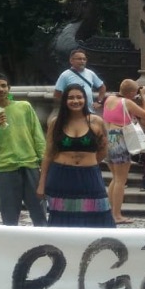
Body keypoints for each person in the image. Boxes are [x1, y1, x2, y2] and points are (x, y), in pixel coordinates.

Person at [37, 84, 114, 227]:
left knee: (99, 211)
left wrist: (88, 163)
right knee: (61, 218)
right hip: (61, 175)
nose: (75, 101)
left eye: (79, 97)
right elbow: (48, 154)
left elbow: (103, 149)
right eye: (70, 98)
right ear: (64, 101)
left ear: (85, 99)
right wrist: (42, 183)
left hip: (89, 176)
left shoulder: (96, 121)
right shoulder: (56, 123)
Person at [0, 72, 46, 226]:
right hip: (5, 169)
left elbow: (38, 137)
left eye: (3, 86)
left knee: (40, 215)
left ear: (9, 88)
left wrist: (43, 163)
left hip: (30, 166)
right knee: (9, 218)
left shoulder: (24, 107)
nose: (0, 89)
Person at [101, 79, 145, 224]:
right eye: (135, 91)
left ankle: (111, 212)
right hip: (120, 139)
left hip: (108, 138)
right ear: (131, 93)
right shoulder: (127, 102)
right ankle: (117, 215)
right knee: (121, 180)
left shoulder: (109, 98)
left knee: (115, 178)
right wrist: (143, 97)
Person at [53, 48, 106, 112]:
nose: (82, 61)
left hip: (89, 111)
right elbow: (57, 94)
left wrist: (99, 102)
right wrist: (68, 104)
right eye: (79, 59)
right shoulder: (65, 75)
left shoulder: (90, 73)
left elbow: (102, 87)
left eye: (84, 59)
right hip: (72, 113)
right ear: (71, 61)